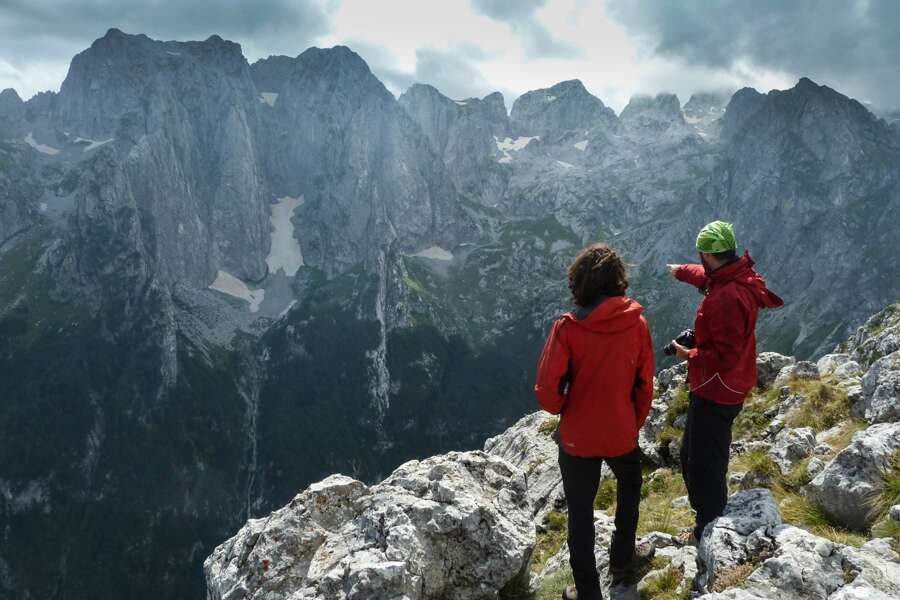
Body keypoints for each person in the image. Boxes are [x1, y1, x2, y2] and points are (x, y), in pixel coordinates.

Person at [535, 243, 655, 600]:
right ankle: (622, 560)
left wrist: (565, 408)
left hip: (578, 437)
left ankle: (587, 593)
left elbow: (547, 391)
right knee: (630, 486)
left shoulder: (568, 328)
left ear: (579, 281)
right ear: (619, 280)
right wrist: (631, 423)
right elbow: (644, 384)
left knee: (580, 513)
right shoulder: (637, 323)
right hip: (620, 431)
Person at [668, 221, 784, 543]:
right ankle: (706, 518)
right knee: (693, 456)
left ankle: (708, 529)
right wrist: (681, 271)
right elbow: (708, 277)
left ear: (708, 255)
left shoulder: (727, 297)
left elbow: (724, 356)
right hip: (717, 386)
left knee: (704, 465)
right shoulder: (734, 275)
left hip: (718, 390)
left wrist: (688, 354)